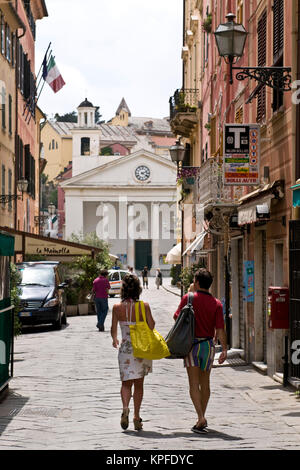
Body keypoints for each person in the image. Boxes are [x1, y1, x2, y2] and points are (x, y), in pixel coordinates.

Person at [173, 268, 227, 434]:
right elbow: (220, 329)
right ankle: (200, 418)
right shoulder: (217, 303)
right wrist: (224, 349)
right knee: (206, 384)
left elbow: (177, 317)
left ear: (196, 282)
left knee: (193, 383)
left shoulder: (188, 298)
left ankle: (200, 416)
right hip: (208, 346)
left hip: (191, 346)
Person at [111, 274, 155, 431]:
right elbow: (151, 326)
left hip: (125, 349)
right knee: (139, 384)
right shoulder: (144, 306)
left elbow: (113, 330)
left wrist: (115, 340)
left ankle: (125, 407)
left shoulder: (117, 307)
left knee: (125, 383)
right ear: (138, 289)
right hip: (140, 349)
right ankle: (136, 416)